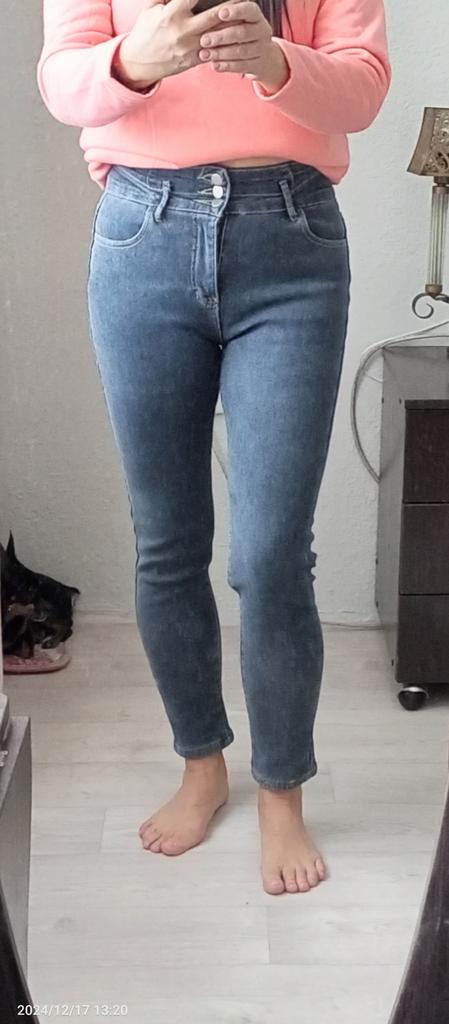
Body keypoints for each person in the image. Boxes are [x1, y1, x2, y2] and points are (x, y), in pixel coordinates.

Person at [37, 0, 391, 896]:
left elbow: (363, 88)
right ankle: (201, 765)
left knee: (271, 553)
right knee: (166, 541)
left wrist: (275, 63)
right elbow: (62, 81)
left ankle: (281, 791)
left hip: (292, 238)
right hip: (141, 232)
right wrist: (135, 59)